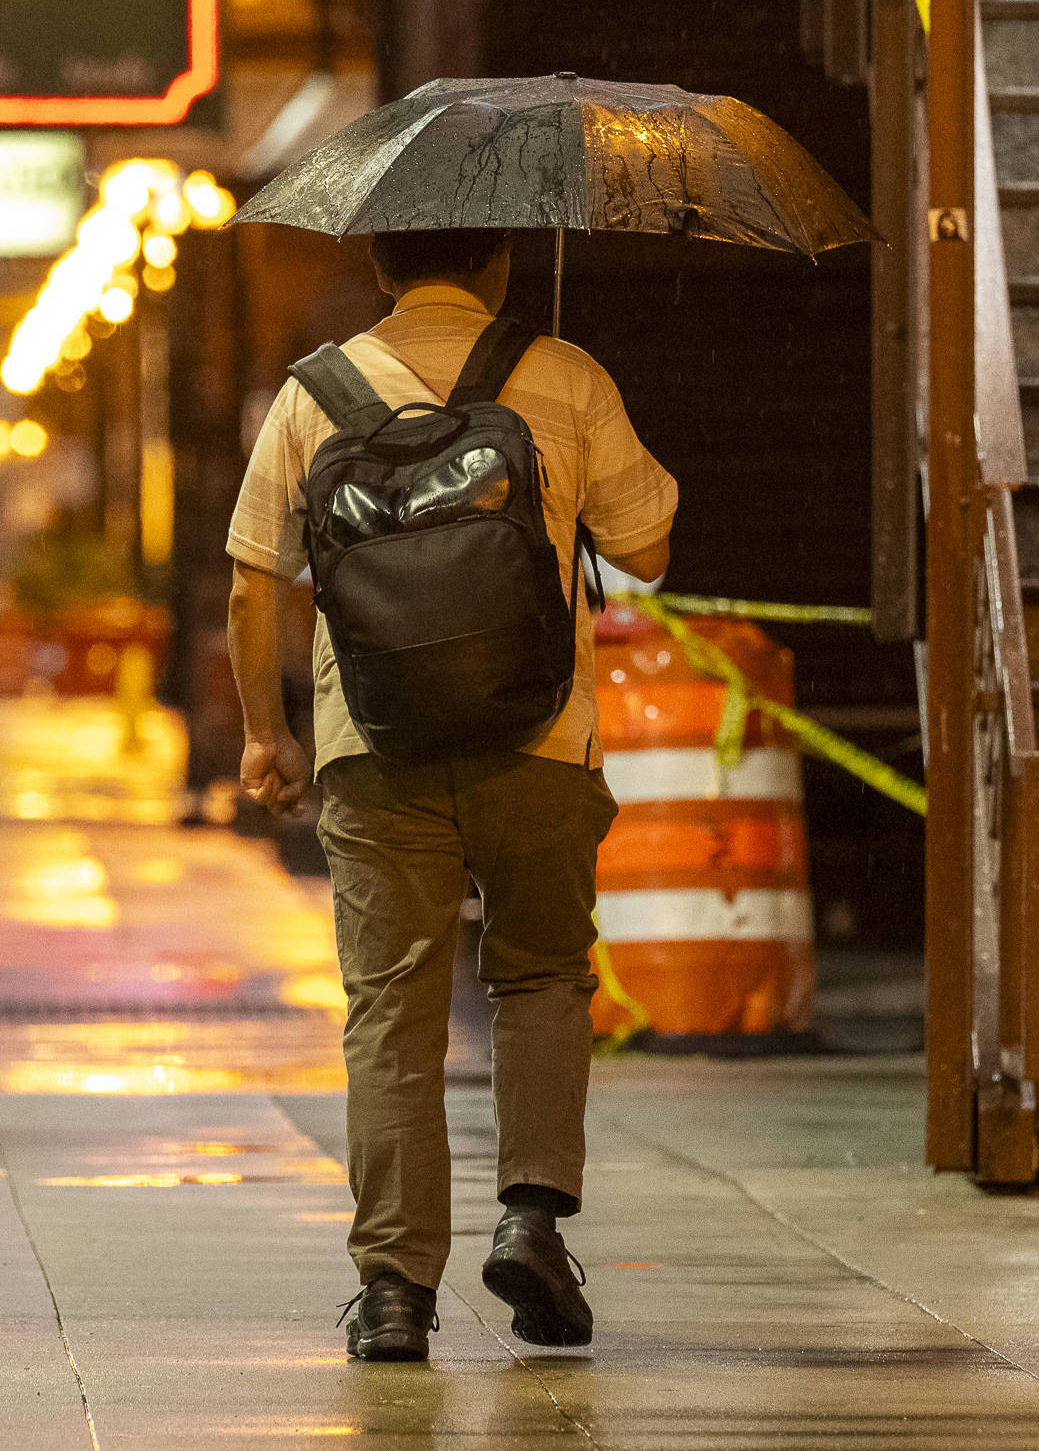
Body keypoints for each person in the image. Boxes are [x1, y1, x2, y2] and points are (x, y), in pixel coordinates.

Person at [226, 226, 676, 1365]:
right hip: (538, 741)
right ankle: (530, 1217)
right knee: (538, 977)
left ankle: (393, 1293)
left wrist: (265, 733)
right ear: (502, 266)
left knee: (392, 1010)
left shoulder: (312, 393)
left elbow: (251, 580)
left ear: (379, 266)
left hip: (373, 749)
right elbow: (652, 545)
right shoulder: (564, 373)